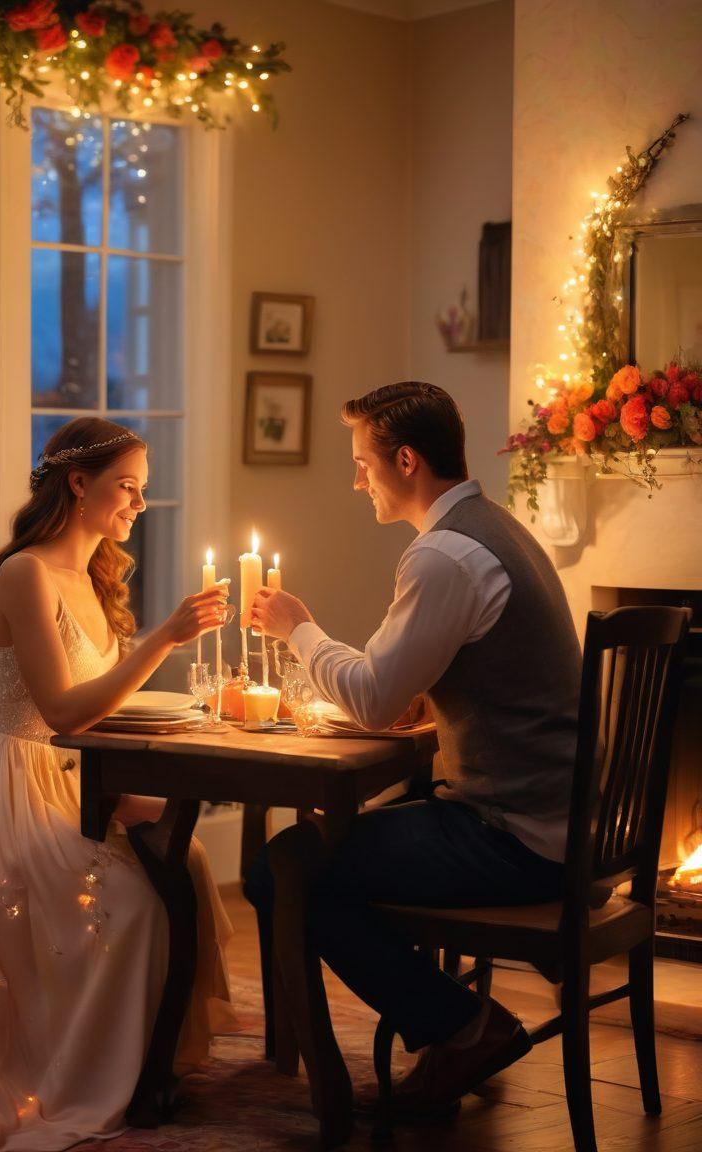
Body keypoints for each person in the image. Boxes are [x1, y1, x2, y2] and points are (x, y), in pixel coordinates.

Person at [0, 417, 237, 1150]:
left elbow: (100, 702)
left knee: (184, 860)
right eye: (127, 487)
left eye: (142, 489)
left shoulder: (91, 574)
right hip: (7, 787)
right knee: (130, 900)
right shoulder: (27, 573)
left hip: (69, 778)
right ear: (77, 483)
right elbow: (64, 711)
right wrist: (165, 637)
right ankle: (79, 1073)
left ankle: (143, 1061)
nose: (138, 503)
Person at [247, 382, 581, 1114]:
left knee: (283, 867)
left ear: (405, 460)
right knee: (320, 853)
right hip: (555, 821)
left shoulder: (446, 558)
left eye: (364, 462)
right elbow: (420, 685)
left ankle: (463, 1028)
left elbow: (369, 695)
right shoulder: (497, 529)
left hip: (514, 836)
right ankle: (452, 1024)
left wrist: (299, 629)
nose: (356, 478)